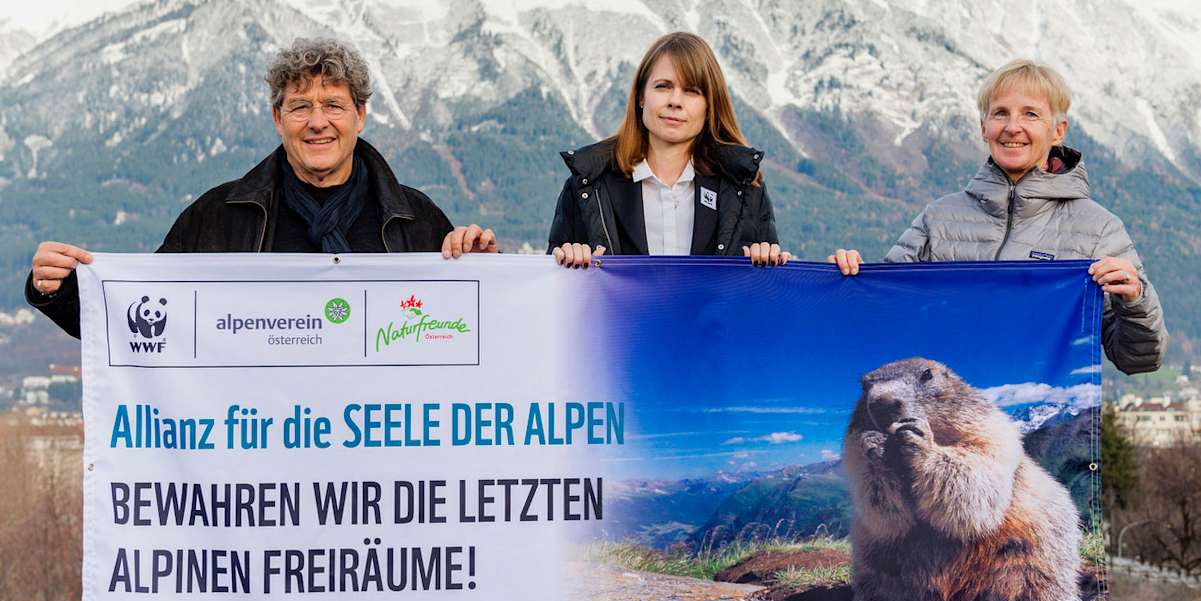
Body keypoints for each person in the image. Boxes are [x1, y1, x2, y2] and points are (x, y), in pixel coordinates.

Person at [27, 37, 496, 339]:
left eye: (333, 104)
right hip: (258, 460)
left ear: (360, 116)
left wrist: (486, 277)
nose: (317, 123)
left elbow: (467, 333)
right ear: (277, 119)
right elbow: (148, 322)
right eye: (299, 107)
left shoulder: (417, 219)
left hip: (380, 457)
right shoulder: (216, 216)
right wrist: (61, 290)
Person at [828, 59, 1166, 375]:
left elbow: (1138, 359)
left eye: (1031, 114)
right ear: (983, 127)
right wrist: (846, 281)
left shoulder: (1098, 229)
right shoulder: (939, 219)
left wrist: (1134, 300)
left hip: (1045, 428)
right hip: (946, 417)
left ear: (1058, 130)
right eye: (1000, 113)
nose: (1012, 127)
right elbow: (881, 314)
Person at [548, 32, 788, 268]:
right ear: (641, 96)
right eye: (663, 86)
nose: (675, 101)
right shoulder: (589, 186)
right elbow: (554, 290)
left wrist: (768, 261)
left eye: (692, 91)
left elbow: (764, 297)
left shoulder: (744, 189)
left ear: (709, 106)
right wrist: (567, 261)